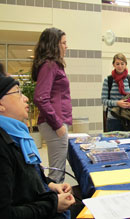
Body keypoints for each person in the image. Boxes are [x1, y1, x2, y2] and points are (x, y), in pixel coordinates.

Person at [0, 75, 75, 218]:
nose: (26, 98)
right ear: (1, 105)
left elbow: (26, 179)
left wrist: (50, 185)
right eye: (18, 93)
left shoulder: (17, 136)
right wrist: (52, 205)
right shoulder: (3, 146)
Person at [32, 27, 72, 183]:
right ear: (54, 45)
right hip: (53, 124)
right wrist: (57, 125)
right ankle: (55, 205)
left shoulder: (53, 65)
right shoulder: (50, 65)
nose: (66, 46)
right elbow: (40, 97)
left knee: (58, 171)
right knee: (57, 173)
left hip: (56, 122)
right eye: (63, 43)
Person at [101, 53, 130, 131]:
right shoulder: (108, 80)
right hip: (113, 118)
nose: (120, 66)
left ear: (126, 64)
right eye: (117, 64)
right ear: (113, 65)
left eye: (122, 64)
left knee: (129, 141)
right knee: (113, 141)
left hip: (128, 117)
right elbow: (103, 100)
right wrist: (117, 103)